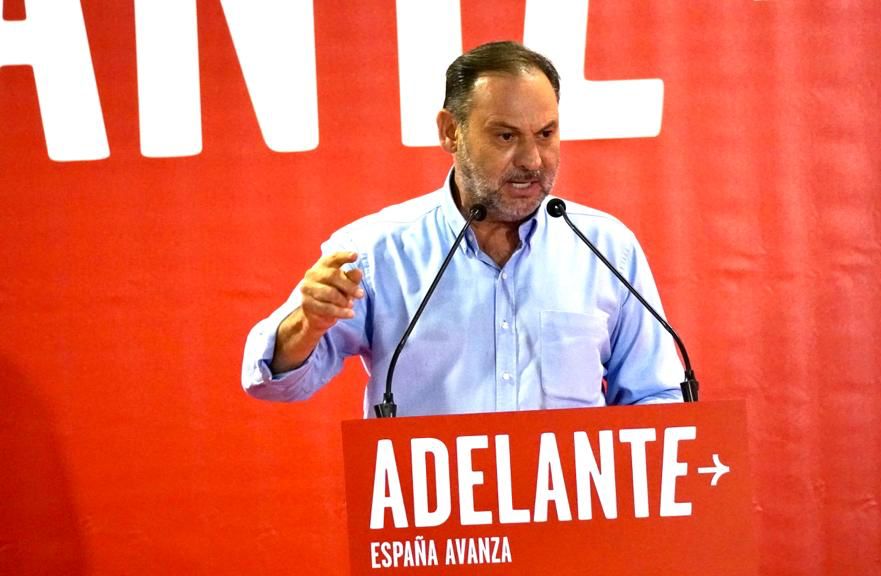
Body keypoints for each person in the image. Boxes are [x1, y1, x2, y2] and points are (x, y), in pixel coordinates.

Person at [241, 41, 684, 416]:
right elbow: (272, 383)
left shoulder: (606, 248)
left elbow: (655, 395)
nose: (532, 160)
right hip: (432, 517)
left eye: (546, 134)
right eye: (506, 136)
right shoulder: (377, 252)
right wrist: (308, 323)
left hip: (570, 513)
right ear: (450, 131)